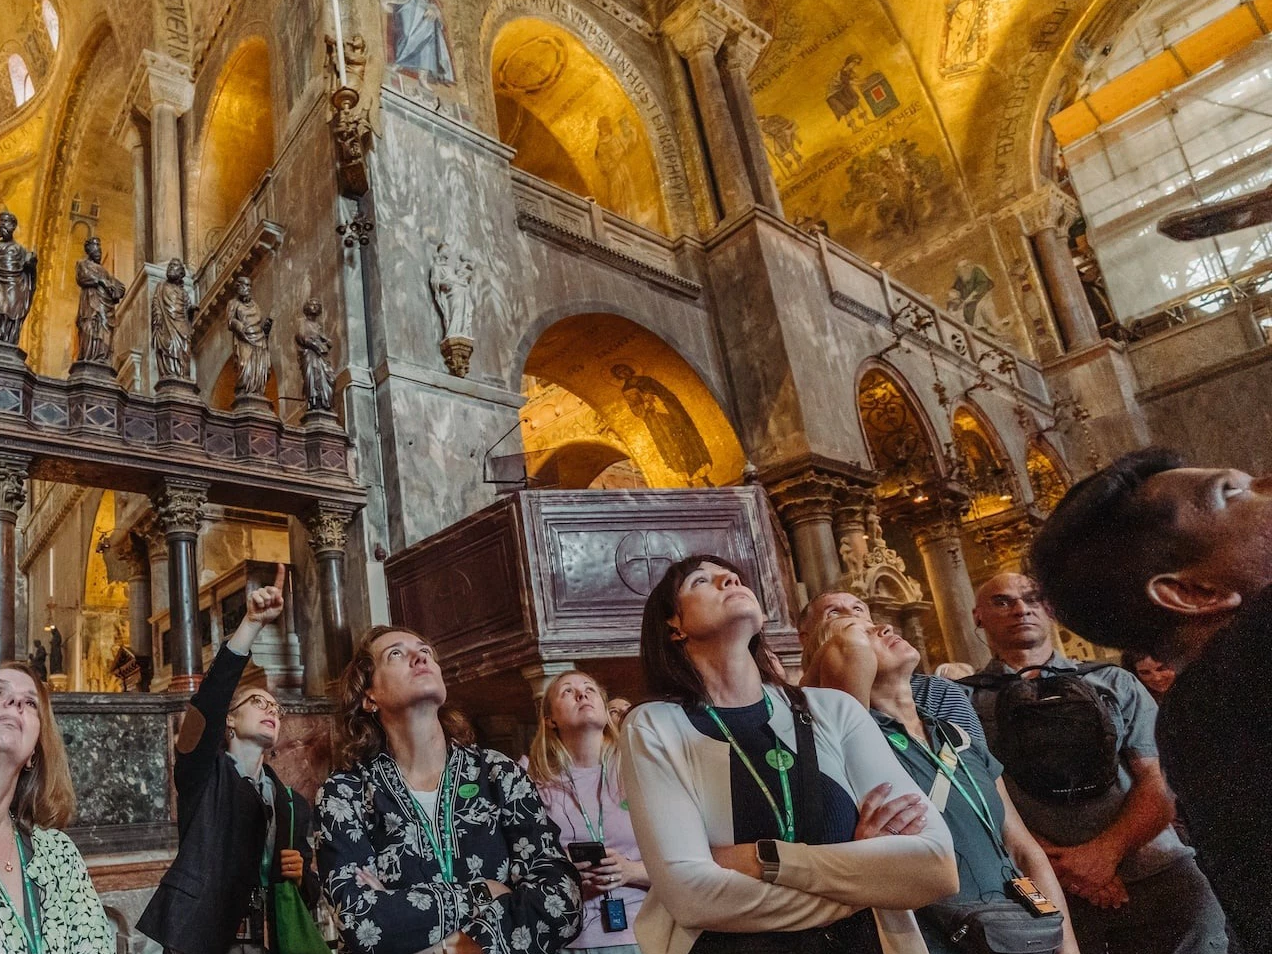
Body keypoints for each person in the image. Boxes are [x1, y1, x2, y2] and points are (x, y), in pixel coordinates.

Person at [621, 554, 957, 954]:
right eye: (700, 581)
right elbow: (693, 897)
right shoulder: (655, 725)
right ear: (674, 626)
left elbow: (936, 866)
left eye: (732, 576)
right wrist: (867, 881)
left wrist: (768, 860)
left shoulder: (833, 710)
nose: (729, 580)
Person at [1028, 449, 1272, 952]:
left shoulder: (1194, 716)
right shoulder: (1241, 682)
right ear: (1192, 591)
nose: (1267, 484)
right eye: (1233, 494)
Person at [968, 571, 1228, 954]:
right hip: (1049, 890)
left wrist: (1104, 854)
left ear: (1050, 609)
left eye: (1032, 599)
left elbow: (1159, 778)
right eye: (1002, 601)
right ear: (977, 616)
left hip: (1158, 875)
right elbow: (975, 800)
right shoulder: (964, 701)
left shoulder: (1114, 681)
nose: (1021, 609)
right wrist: (1062, 868)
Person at [801, 612, 1079, 954]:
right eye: (860, 633)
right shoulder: (856, 744)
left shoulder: (957, 736)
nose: (884, 627)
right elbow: (841, 667)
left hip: (1020, 933)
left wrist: (1068, 948)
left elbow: (1022, 848)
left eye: (875, 624)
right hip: (936, 939)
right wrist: (845, 645)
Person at [317, 625, 582, 954]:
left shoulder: (497, 773)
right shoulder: (346, 792)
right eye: (396, 654)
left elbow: (562, 900)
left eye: (425, 650)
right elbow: (360, 919)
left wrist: (457, 946)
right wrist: (484, 892)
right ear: (369, 696)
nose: (419, 657)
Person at [139, 564, 320, 954]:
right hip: (207, 940)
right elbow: (207, 705)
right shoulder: (202, 773)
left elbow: (308, 893)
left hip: (270, 941)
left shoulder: (291, 803)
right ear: (230, 721)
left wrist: (301, 875)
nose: (271, 710)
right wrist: (251, 624)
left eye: (276, 708)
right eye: (257, 702)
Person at [528, 671, 647, 954]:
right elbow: (521, 864)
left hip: (644, 932)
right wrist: (561, 873)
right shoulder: (532, 779)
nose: (582, 694)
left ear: (606, 711)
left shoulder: (639, 766)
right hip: (567, 937)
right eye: (567, 691)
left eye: (590, 688)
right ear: (550, 720)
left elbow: (683, 860)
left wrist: (630, 870)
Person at [0, 662, 114, 951]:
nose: (15, 701)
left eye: (30, 702)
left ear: (33, 753)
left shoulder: (59, 854)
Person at [799, 590, 986, 746]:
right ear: (807, 639)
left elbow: (974, 763)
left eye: (858, 609)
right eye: (833, 612)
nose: (853, 614)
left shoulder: (937, 691)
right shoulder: (818, 709)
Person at [74, 236, 126, 364]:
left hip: (105, 307)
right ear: (88, 250)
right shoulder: (83, 264)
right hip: (91, 302)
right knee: (90, 327)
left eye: (100, 250)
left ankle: (102, 357)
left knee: (105, 330)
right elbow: (83, 277)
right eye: (95, 249)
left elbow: (119, 286)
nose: (99, 252)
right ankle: (90, 357)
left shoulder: (104, 271)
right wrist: (101, 281)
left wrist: (116, 291)